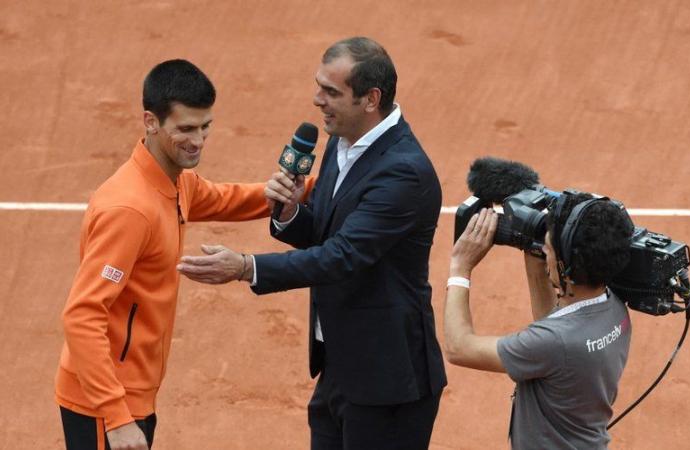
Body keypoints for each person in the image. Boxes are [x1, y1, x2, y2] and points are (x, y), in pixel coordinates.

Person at [177, 37, 447, 450]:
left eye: (331, 92)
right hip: (340, 364)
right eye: (319, 86)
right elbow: (326, 230)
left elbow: (344, 255)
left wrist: (247, 267)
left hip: (388, 382)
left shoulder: (403, 173)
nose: (316, 99)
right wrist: (288, 214)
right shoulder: (343, 141)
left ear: (370, 98)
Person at [55, 59, 296, 450]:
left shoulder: (173, 181)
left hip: (130, 392)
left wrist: (308, 188)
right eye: (185, 129)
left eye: (205, 127)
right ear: (151, 122)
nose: (198, 140)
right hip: (105, 402)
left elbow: (225, 198)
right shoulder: (130, 211)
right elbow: (82, 316)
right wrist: (116, 418)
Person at [444, 194, 634, 449]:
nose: (544, 252)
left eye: (548, 249)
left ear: (565, 265)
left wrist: (460, 268)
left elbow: (459, 348)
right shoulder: (614, 307)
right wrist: (533, 247)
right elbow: (554, 319)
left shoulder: (553, 342)